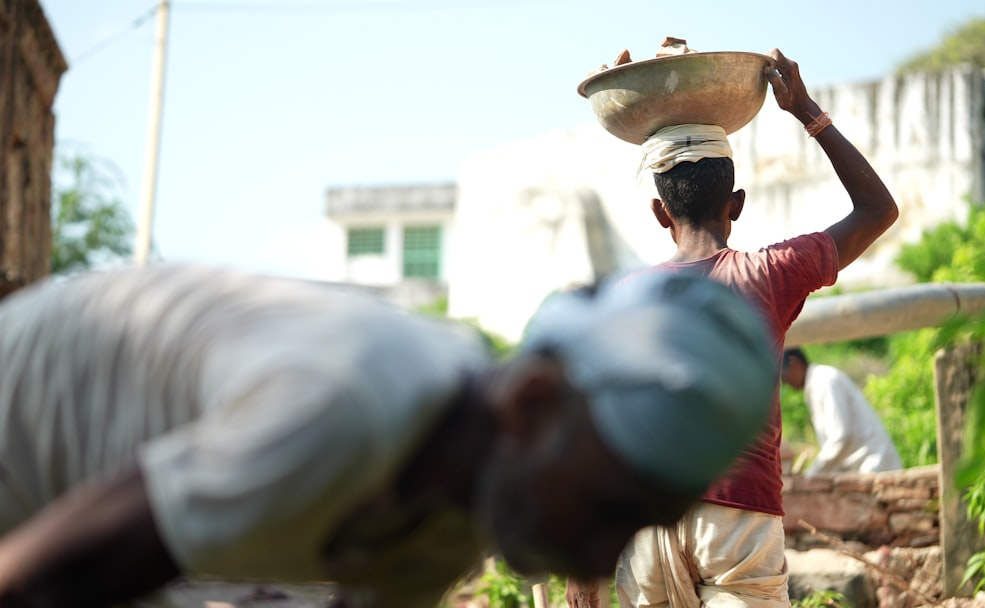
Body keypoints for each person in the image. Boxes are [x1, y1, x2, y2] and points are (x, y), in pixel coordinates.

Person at [0, 262, 779, 608]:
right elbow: (31, 579)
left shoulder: (456, 514)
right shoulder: (343, 408)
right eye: (613, 512)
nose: (601, 566)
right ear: (534, 405)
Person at [567, 48, 899, 608]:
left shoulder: (623, 299)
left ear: (659, 212)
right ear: (737, 204)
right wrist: (807, 112)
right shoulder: (769, 274)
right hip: (737, 520)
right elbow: (877, 210)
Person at [780, 348, 902, 476]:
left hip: (873, 462)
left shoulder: (825, 381)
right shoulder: (814, 387)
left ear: (794, 363)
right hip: (860, 466)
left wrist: (813, 472)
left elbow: (841, 436)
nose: (787, 383)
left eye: (784, 377)